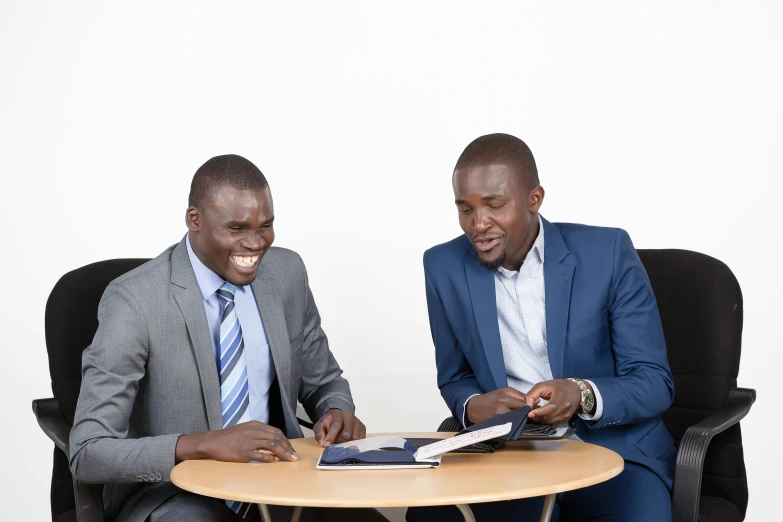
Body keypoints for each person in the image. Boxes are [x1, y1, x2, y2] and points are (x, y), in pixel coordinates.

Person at [70, 155, 388, 522]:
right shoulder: (135, 301)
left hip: (282, 481)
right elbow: (88, 453)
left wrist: (335, 409)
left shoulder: (287, 274)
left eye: (265, 226)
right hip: (174, 492)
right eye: (237, 228)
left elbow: (324, 380)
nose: (255, 244)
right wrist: (203, 444)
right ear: (195, 220)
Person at [407, 134, 676, 522]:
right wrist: (472, 405)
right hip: (510, 454)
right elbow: (455, 376)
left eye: (494, 205)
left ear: (535, 199)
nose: (478, 224)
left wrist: (582, 393)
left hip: (616, 453)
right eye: (465, 209)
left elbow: (654, 382)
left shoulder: (608, 253)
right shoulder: (443, 266)